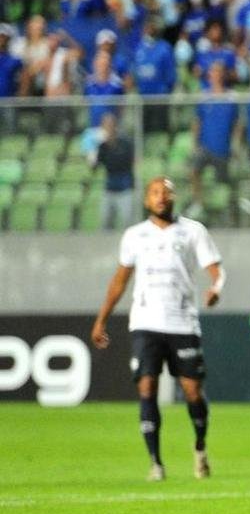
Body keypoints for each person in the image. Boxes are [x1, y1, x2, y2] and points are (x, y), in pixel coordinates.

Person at [89, 177, 224, 481]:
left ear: (174, 196)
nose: (160, 197)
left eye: (165, 192)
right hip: (145, 322)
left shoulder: (193, 231)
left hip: (182, 321)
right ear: (147, 200)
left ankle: (200, 448)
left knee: (192, 391)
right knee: (146, 386)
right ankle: (156, 463)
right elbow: (120, 280)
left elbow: (215, 269)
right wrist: (101, 319)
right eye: (154, 193)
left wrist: (216, 287)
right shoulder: (135, 236)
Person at [190, 62, 241, 215]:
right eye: (213, 72)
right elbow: (197, 121)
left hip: (223, 148)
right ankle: (198, 203)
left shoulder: (231, 97)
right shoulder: (204, 96)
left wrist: (236, 143)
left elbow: (237, 123)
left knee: (225, 180)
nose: (216, 75)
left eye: (219, 72)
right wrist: (195, 143)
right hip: (205, 146)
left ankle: (230, 207)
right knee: (193, 170)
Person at [92, 113, 136, 230]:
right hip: (109, 188)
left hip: (125, 188)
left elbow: (123, 163)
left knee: (128, 221)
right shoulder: (102, 146)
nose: (108, 128)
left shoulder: (125, 143)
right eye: (105, 125)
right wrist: (93, 154)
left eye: (110, 125)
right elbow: (96, 166)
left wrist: (110, 146)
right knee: (105, 221)